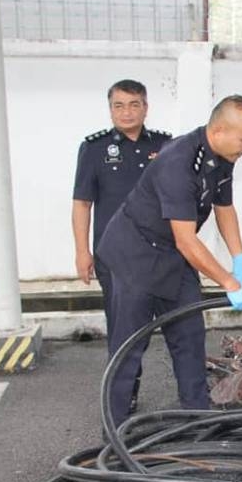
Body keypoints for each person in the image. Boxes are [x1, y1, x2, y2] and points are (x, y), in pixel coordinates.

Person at [96, 95, 242, 423]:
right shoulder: (178, 163)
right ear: (219, 131)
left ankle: (200, 421)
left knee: (189, 336)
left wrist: (239, 257)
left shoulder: (223, 156)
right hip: (135, 254)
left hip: (171, 253)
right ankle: (113, 436)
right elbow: (188, 241)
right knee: (129, 346)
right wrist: (229, 282)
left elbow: (223, 208)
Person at [72, 79, 170, 411]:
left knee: (176, 326)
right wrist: (82, 251)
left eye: (134, 104)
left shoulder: (165, 146)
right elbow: (82, 204)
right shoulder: (94, 149)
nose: (126, 112)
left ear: (145, 107)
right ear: (110, 108)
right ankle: (123, 395)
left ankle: (192, 393)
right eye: (119, 105)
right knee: (123, 330)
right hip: (114, 257)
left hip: (160, 254)